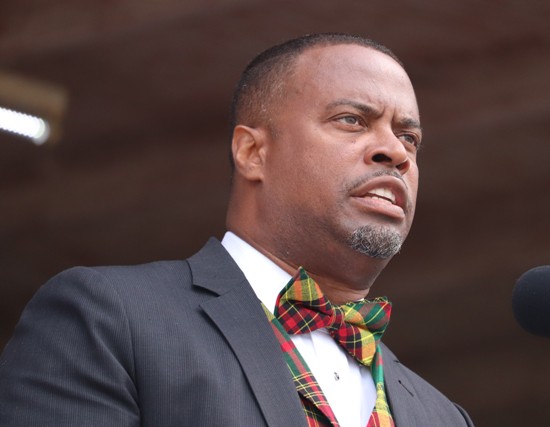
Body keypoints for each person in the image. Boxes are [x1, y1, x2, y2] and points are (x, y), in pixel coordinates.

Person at [0, 33, 473, 426]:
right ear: (252, 152)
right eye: (352, 120)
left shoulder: (445, 416)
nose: (396, 152)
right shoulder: (108, 318)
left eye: (409, 136)